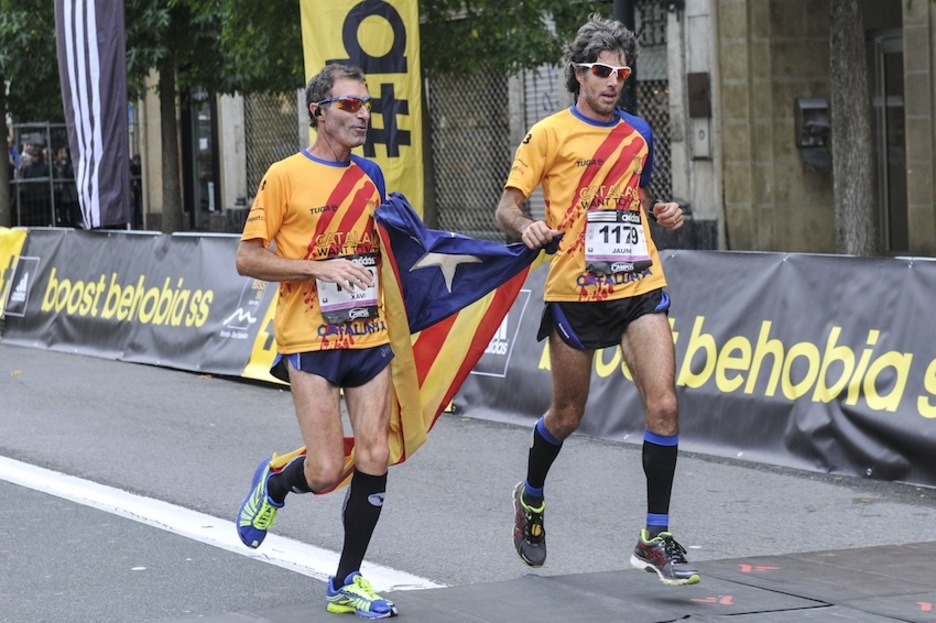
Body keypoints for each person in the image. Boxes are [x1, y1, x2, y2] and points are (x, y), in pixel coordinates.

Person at [494, 15, 701, 586]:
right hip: (575, 292)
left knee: (664, 406)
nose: (614, 81)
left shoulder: (638, 131)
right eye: (602, 71)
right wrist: (526, 228)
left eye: (622, 72)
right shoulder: (548, 135)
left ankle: (654, 536)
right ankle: (531, 497)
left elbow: (636, 190)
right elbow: (507, 207)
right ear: (579, 74)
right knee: (567, 415)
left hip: (638, 284)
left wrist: (661, 211)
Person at [235, 63, 398, 619]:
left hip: (369, 333)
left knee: (376, 453)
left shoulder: (372, 176)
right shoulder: (284, 175)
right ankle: (277, 483)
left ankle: (347, 580)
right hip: (309, 336)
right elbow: (247, 256)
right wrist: (317, 268)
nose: (362, 115)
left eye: (366, 105)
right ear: (318, 112)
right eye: (350, 105)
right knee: (327, 470)